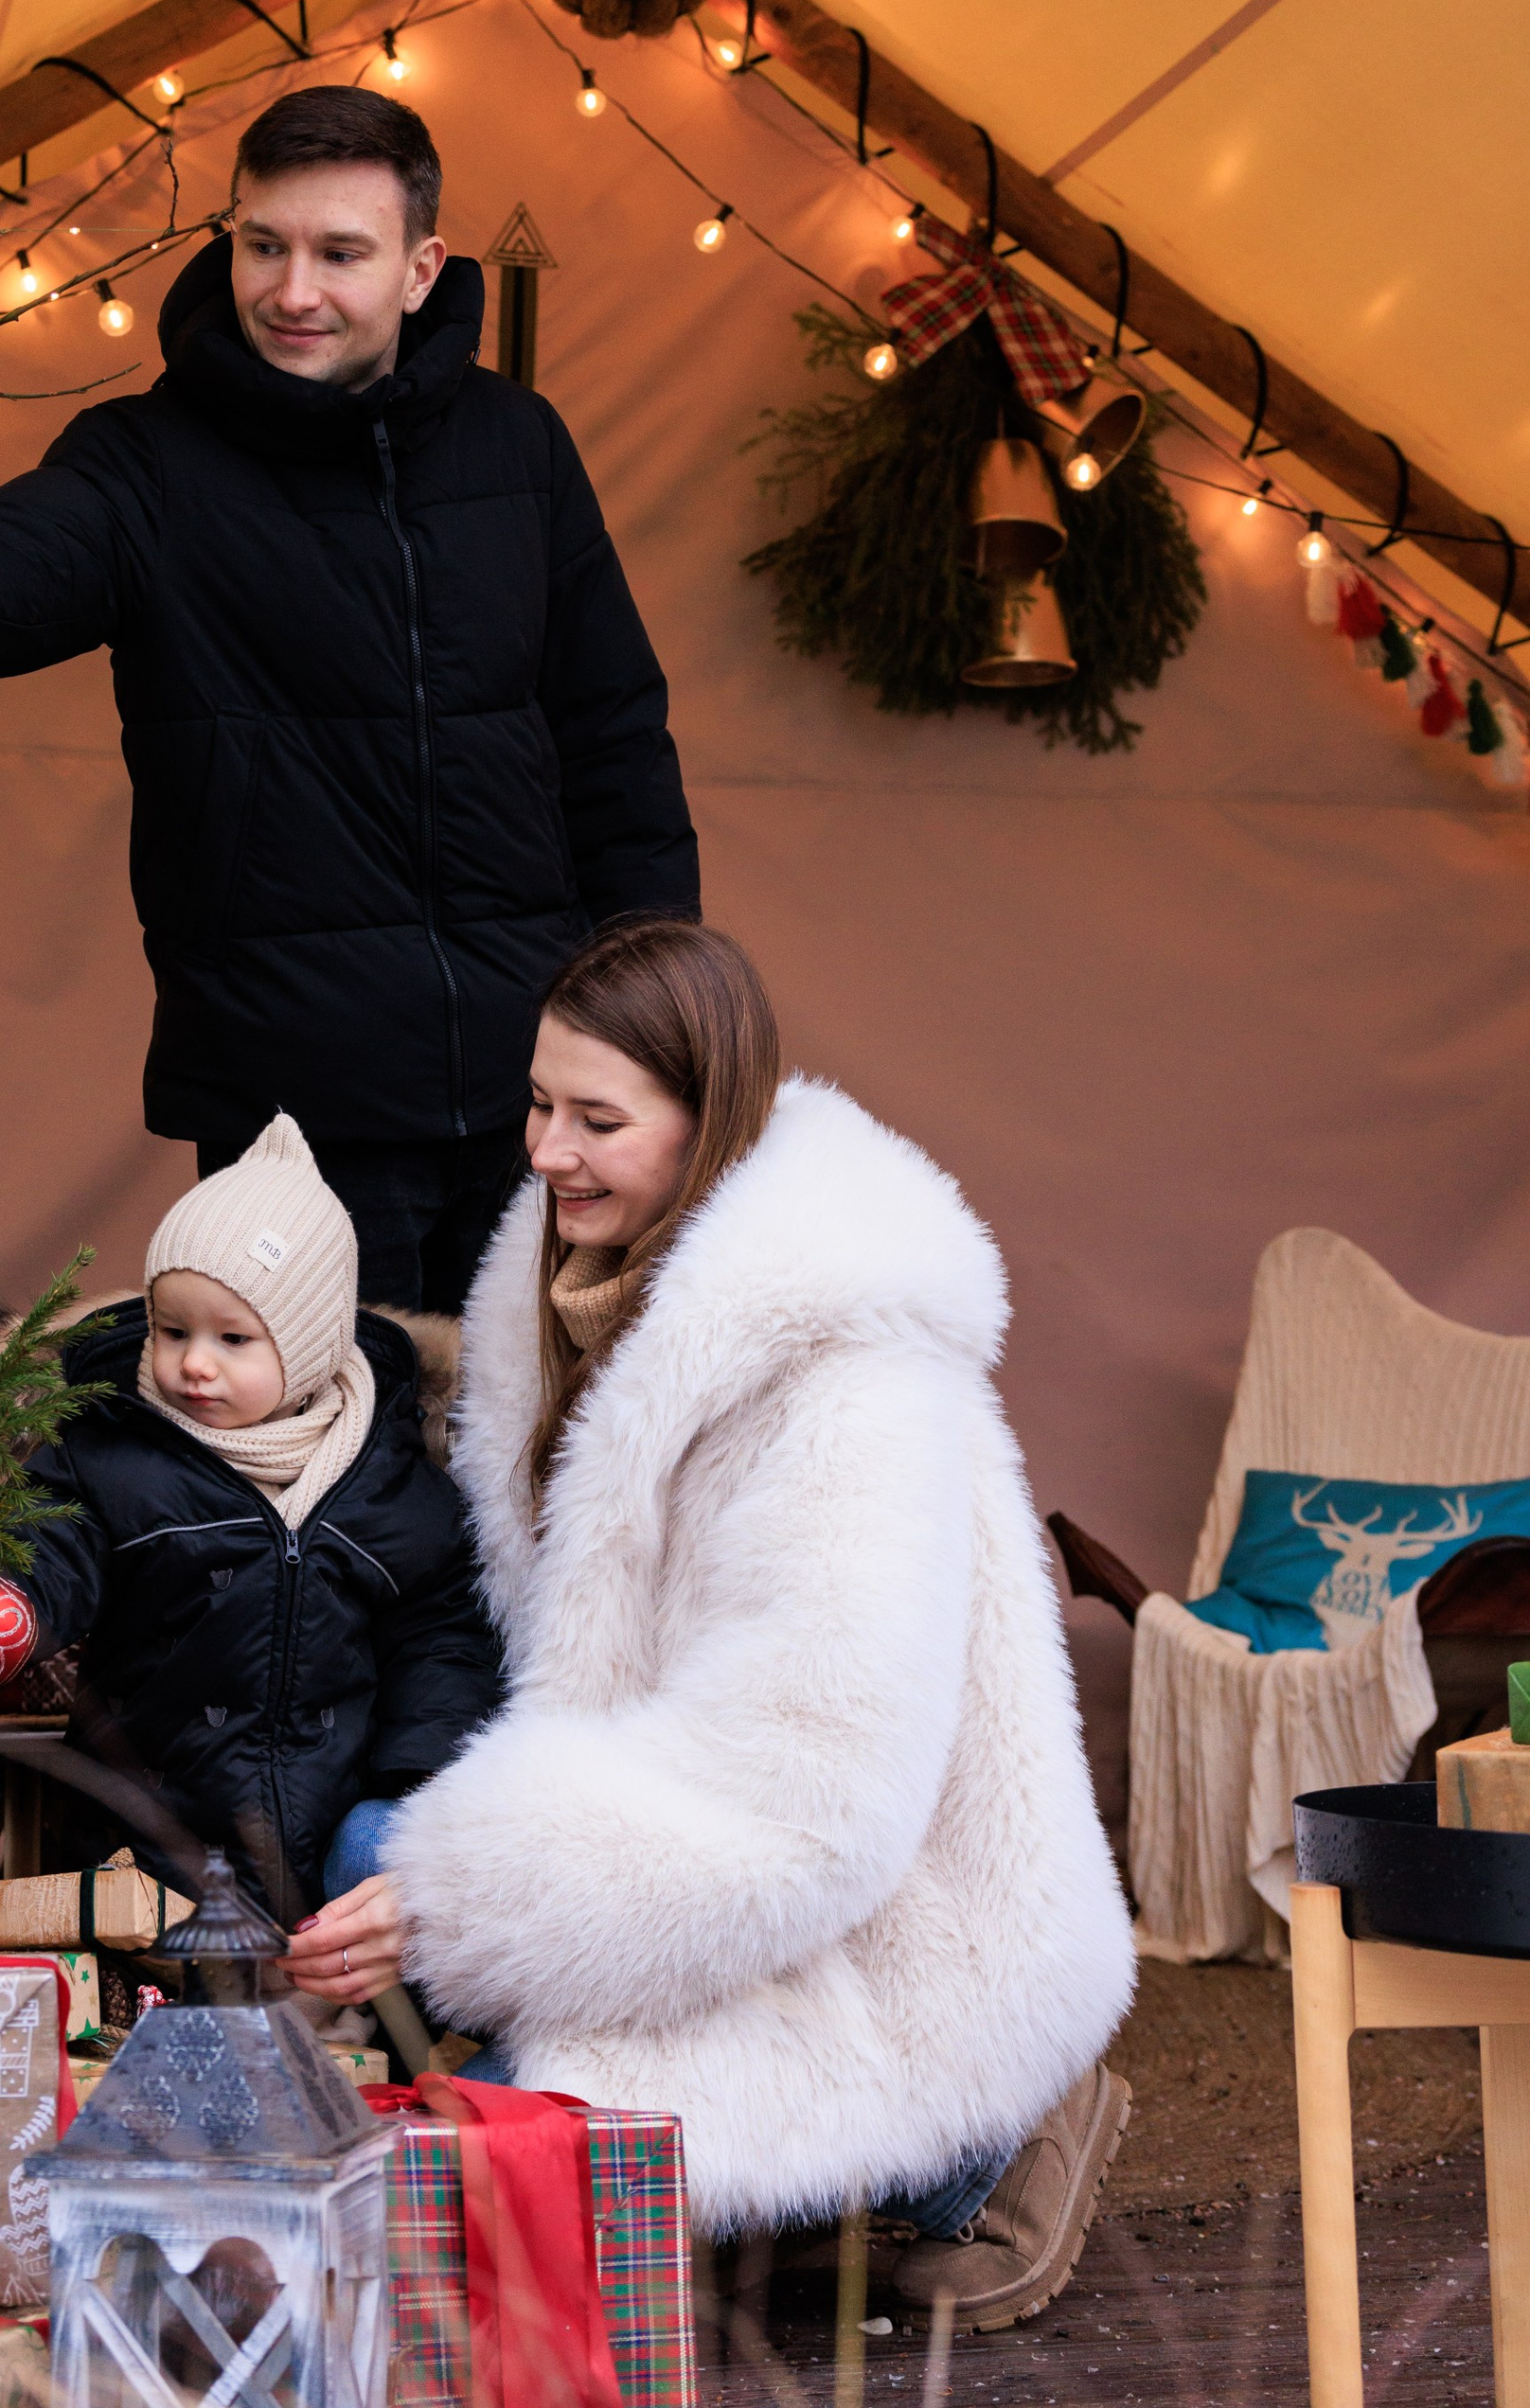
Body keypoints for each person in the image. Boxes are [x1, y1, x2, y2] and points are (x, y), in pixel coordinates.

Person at [0, 82, 698, 1313]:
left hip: (539, 1099)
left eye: (340, 253)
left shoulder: (519, 447)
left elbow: (614, 741)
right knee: (330, 1435)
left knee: (543, 1425)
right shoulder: (150, 462)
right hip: (295, 1103)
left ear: (420, 269)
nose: (292, 290)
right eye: (264, 245)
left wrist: (652, 1036)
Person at [290, 917, 1136, 2330]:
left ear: (710, 1122)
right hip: (694, 1862)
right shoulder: (577, 1306)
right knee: (365, 1850)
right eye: (539, 1105)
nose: (546, 1152)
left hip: (887, 1930)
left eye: (597, 1120)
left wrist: (462, 1899)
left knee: (446, 2191)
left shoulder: (849, 1390)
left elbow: (807, 1806)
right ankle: (752, 2181)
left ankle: (986, 2141)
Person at [0, 1110, 503, 1926]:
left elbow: (440, 1638)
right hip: (149, 1841)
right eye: (172, 1330)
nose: (193, 1364)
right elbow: (47, 1547)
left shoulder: (390, 1484)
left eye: (233, 1339)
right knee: (153, 1976)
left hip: (324, 1839)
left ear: (311, 1346)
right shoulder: (112, 1453)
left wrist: (419, 1776)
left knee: (371, 1884)